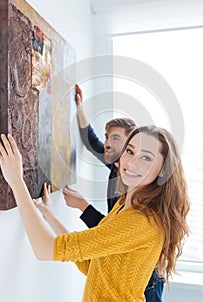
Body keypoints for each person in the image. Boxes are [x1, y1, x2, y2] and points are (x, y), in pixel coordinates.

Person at [0, 126, 190, 302]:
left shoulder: (141, 221)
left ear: (163, 170)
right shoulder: (125, 205)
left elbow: (44, 250)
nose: (131, 162)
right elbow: (93, 266)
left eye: (146, 157)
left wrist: (16, 181)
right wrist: (50, 218)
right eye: (130, 151)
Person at [62, 84, 166, 300]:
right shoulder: (117, 166)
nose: (107, 144)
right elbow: (92, 142)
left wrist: (83, 206)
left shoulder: (136, 182)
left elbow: (112, 232)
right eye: (107, 137)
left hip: (145, 276)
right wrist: (79, 107)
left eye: (115, 139)